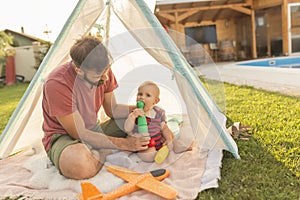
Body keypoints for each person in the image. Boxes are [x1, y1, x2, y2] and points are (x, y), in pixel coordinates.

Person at [42, 36, 150, 180]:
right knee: (79, 166)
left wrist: (139, 109)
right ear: (79, 70)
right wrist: (126, 144)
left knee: (144, 119)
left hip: (93, 129)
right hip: (64, 136)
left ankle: (97, 152)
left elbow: (113, 110)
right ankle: (104, 152)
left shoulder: (103, 70)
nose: (106, 78)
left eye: (107, 71)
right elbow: (80, 134)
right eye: (99, 75)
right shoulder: (57, 83)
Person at [124, 81, 191, 162]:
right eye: (140, 94)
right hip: (144, 144)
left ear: (155, 101)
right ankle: (155, 155)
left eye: (147, 95)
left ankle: (176, 145)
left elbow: (164, 128)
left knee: (169, 133)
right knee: (149, 155)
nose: (141, 97)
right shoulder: (135, 113)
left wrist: (169, 139)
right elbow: (127, 129)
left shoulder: (159, 112)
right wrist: (132, 116)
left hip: (158, 140)